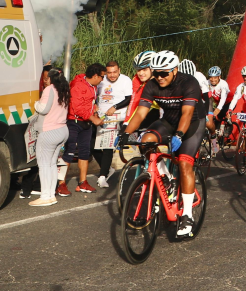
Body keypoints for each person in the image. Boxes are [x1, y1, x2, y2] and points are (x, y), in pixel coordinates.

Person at [117, 50, 207, 239]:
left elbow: (187, 114)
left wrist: (180, 135)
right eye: (155, 73)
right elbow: (141, 113)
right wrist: (125, 134)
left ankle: (187, 216)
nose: (159, 77)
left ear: (174, 70)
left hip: (191, 124)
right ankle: (166, 178)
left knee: (184, 163)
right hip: (168, 121)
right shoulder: (151, 85)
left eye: (164, 73)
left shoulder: (189, 82)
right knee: (146, 140)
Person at [60, 63, 106, 195]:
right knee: (69, 153)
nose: (103, 80)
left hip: (86, 123)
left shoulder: (94, 86)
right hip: (74, 122)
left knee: (85, 153)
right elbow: (77, 108)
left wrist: (95, 112)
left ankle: (83, 182)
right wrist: (93, 118)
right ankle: (61, 183)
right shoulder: (77, 86)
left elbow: (89, 103)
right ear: (96, 76)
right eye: (102, 77)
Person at [30, 68, 72, 207]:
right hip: (63, 130)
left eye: (47, 78)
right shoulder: (65, 89)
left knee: (43, 164)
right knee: (52, 163)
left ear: (51, 79)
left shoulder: (49, 90)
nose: (46, 80)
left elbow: (44, 108)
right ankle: (51, 195)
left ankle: (45, 196)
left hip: (49, 131)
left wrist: (36, 103)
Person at [93, 60, 132, 188]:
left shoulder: (126, 80)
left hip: (115, 117)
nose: (112, 75)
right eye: (109, 73)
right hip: (99, 116)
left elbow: (128, 98)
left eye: (115, 72)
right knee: (92, 146)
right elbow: (94, 96)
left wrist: (115, 107)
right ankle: (108, 168)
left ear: (119, 70)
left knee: (108, 146)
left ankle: (102, 176)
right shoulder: (101, 80)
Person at [20, 64, 53, 199]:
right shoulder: (39, 90)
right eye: (43, 78)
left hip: (47, 128)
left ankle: (39, 187)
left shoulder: (53, 91)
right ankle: (28, 187)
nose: (45, 81)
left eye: (47, 78)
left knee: (44, 160)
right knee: (36, 158)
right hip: (37, 128)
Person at [205, 66, 230, 136]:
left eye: (215, 77)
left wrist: (218, 109)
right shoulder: (207, 83)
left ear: (219, 77)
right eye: (211, 77)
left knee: (221, 114)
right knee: (214, 119)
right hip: (218, 103)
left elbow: (223, 98)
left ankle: (228, 125)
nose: (212, 80)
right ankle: (217, 135)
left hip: (227, 102)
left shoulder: (223, 84)